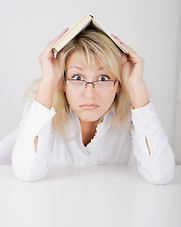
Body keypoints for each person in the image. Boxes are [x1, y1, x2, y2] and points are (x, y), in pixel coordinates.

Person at [11, 27, 175, 183]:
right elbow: (27, 173)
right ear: (62, 82)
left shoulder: (135, 110)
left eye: (103, 78)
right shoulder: (42, 107)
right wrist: (47, 83)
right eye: (77, 78)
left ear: (118, 84)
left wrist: (137, 86)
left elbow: (160, 175)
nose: (89, 94)